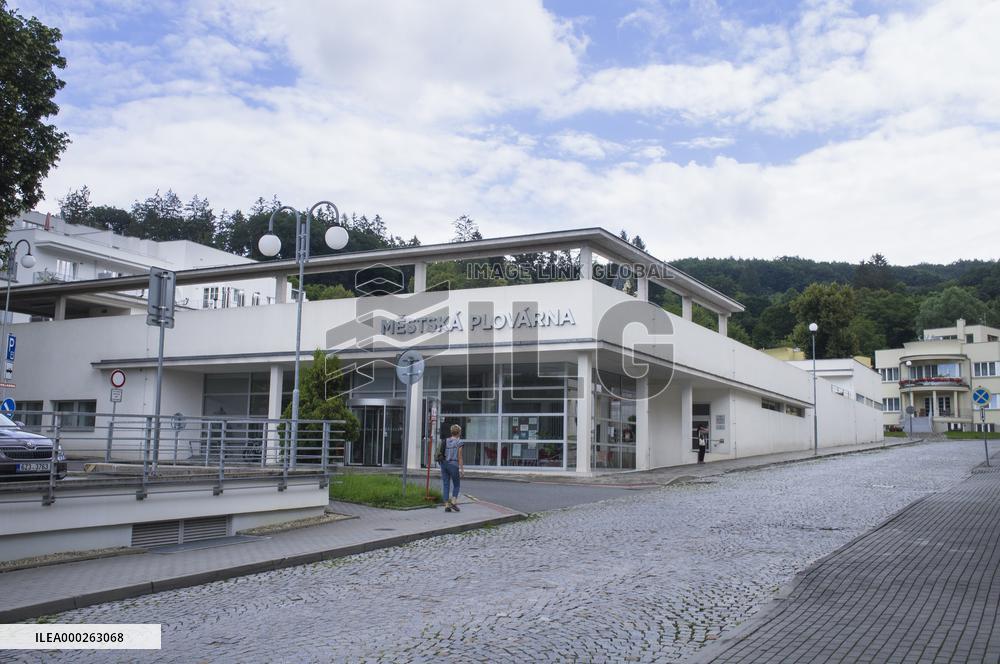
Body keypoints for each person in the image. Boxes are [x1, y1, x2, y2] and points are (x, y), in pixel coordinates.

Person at [439, 424, 465, 512]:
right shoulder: (459, 442)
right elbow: (460, 456)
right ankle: (453, 502)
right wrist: (462, 469)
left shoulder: (446, 440)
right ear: (459, 432)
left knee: (446, 484)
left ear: (451, 432)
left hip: (444, 464)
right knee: (456, 484)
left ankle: (446, 505)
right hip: (453, 464)